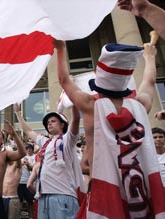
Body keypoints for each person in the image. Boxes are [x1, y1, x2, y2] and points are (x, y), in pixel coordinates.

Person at [55, 40, 165, 218]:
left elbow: (63, 79)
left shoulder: (91, 106)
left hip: (104, 187)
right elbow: (150, 81)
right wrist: (150, 57)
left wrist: (61, 49)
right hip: (137, 188)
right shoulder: (140, 105)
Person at [14, 102, 83, 219]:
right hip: (43, 196)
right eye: (48, 122)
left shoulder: (67, 140)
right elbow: (29, 131)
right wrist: (17, 113)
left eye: (53, 121)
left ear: (62, 125)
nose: (49, 123)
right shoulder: (45, 142)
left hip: (62, 195)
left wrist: (72, 101)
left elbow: (75, 119)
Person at [18, 143, 36, 219]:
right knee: (19, 201)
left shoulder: (35, 157)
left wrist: (28, 164)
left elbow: (33, 169)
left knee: (30, 202)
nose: (29, 150)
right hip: (20, 182)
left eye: (30, 148)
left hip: (29, 182)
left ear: (32, 149)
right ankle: (18, 216)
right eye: (27, 148)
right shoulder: (22, 157)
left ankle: (31, 217)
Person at [2, 154, 22, 219]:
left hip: (13, 198)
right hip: (2, 198)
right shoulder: (4, 167)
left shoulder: (17, 168)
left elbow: (19, 157)